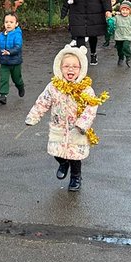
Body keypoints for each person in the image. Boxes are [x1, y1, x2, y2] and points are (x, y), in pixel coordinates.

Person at [24, 43, 106, 192]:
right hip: (59, 127)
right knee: (56, 151)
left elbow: (91, 107)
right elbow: (42, 102)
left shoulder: (85, 89)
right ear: (59, 68)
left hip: (77, 129)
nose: (70, 69)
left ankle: (76, 177)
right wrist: (33, 116)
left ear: (81, 69)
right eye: (66, 66)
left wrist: (83, 123)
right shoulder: (53, 86)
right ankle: (62, 163)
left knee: (75, 157)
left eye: (75, 67)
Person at [0, 12, 25, 105]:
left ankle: (20, 87)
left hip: (15, 62)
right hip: (4, 62)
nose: (8, 24)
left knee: (17, 79)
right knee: (4, 79)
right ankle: (3, 96)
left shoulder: (17, 34)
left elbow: (18, 46)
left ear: (16, 24)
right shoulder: (1, 35)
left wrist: (10, 51)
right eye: (6, 22)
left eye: (11, 22)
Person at [113, 0, 131, 65]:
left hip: (127, 36)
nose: (125, 11)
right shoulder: (117, 17)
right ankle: (121, 57)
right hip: (118, 36)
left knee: (125, 46)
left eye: (127, 10)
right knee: (119, 49)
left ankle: (128, 57)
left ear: (130, 11)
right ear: (120, 10)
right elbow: (112, 23)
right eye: (123, 10)